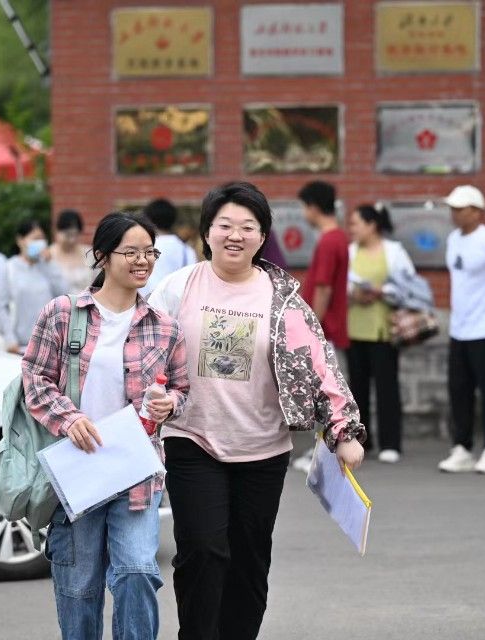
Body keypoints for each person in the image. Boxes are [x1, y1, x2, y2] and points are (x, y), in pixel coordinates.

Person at [147, 182, 365, 640]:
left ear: (262, 237)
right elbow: (144, 351)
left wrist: (344, 430)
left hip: (262, 450)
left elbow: (319, 362)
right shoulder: (176, 287)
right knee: (203, 550)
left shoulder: (281, 298)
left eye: (248, 227)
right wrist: (154, 393)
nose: (235, 235)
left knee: (249, 560)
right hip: (192, 438)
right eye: (224, 225)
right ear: (206, 232)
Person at [22, 212, 190, 640]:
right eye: (130, 252)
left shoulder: (165, 327)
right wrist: (70, 418)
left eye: (149, 252)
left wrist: (170, 402)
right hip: (77, 473)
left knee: (136, 573)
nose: (142, 261)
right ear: (101, 256)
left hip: (136, 475)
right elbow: (35, 380)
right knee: (79, 589)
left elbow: (184, 392)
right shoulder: (62, 315)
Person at [438, 185, 485, 475]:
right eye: (452, 208)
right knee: (459, 390)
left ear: (477, 211)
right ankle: (462, 447)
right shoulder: (453, 239)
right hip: (460, 327)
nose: (454, 214)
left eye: (460, 208)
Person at [344, 203, 413, 464]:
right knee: (356, 390)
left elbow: (409, 286)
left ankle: (391, 443)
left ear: (371, 225)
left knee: (387, 388)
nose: (352, 229)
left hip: (384, 330)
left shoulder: (394, 251)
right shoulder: (350, 252)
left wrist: (381, 291)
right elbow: (342, 285)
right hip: (355, 329)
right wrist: (355, 293)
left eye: (356, 224)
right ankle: (363, 440)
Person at [291, 181, 350, 472]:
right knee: (327, 393)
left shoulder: (329, 241)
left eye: (304, 206)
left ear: (313, 206)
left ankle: (324, 454)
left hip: (324, 328)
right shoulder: (337, 237)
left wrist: (312, 328)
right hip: (331, 327)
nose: (303, 213)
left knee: (326, 396)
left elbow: (324, 287)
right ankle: (323, 451)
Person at [0, 220, 68, 354]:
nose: (40, 243)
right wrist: (10, 339)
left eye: (42, 239)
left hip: (49, 345)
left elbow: (64, 295)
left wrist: (49, 264)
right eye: (35, 238)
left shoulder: (48, 267)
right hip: (18, 346)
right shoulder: (8, 268)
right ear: (20, 240)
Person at [138, 198, 197, 298]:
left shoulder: (140, 248)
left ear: (148, 219)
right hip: (176, 307)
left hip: (145, 305)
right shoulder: (186, 250)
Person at [49, 209, 97, 294]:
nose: (72, 240)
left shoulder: (90, 254)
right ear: (56, 231)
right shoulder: (48, 255)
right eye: (68, 235)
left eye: (75, 235)